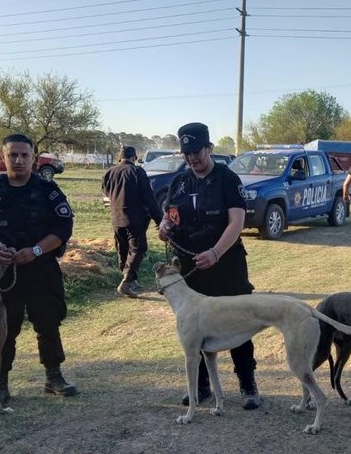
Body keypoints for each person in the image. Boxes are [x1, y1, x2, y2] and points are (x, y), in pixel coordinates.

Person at [0, 133, 78, 408]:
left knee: (48, 321)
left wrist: (36, 250)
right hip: (0, 273)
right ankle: (0, 385)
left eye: (25, 155)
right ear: (3, 158)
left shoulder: (48, 190)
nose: (19, 160)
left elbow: (63, 227)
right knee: (3, 328)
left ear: (33, 158)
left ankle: (54, 376)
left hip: (40, 268)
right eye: (13, 155)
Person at [157, 122, 260, 409]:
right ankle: (200, 387)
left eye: (196, 152)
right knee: (194, 329)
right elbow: (170, 216)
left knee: (239, 321)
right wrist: (165, 227)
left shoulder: (227, 179)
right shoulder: (179, 181)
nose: (192, 158)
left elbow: (237, 223)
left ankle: (247, 384)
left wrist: (215, 253)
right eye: (186, 153)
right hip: (190, 267)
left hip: (225, 263)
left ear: (209, 148)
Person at [101, 145, 163, 297]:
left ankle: (129, 280)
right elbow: (150, 198)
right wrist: (159, 220)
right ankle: (127, 280)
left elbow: (105, 190)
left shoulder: (109, 172)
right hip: (135, 219)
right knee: (138, 248)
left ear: (119, 158)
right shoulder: (137, 171)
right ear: (134, 158)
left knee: (123, 250)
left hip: (116, 218)